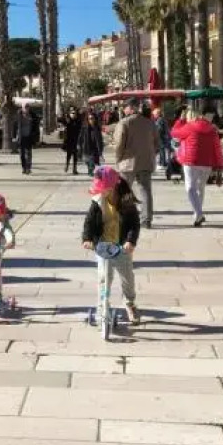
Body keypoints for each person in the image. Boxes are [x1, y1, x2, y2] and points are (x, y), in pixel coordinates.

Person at [81, 165, 142, 326]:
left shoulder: (126, 200)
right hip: (103, 246)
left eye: (105, 188)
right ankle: (103, 304)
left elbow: (134, 223)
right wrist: (87, 238)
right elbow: (89, 222)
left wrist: (130, 241)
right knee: (103, 277)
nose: (102, 191)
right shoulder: (97, 201)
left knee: (127, 278)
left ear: (114, 185)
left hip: (121, 247)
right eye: (100, 188)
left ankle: (130, 303)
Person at [171, 106, 223, 227]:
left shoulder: (189, 127)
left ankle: (198, 213)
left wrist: (180, 121)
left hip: (190, 162)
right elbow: (217, 148)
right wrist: (220, 166)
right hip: (207, 163)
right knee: (200, 188)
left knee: (190, 188)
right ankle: (197, 215)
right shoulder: (212, 129)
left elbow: (174, 133)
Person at [114, 97, 159, 228]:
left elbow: (118, 145)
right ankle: (146, 219)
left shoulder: (124, 123)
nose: (124, 109)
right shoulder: (150, 123)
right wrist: (150, 155)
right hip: (145, 162)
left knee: (123, 191)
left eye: (125, 107)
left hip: (127, 163)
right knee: (145, 190)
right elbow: (157, 143)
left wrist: (118, 159)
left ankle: (124, 219)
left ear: (132, 108)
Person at [79, 111, 104, 175]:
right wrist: (79, 145)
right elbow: (80, 137)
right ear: (87, 119)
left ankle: (95, 173)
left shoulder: (97, 128)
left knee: (96, 162)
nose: (91, 120)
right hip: (87, 147)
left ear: (95, 119)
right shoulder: (84, 128)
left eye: (92, 118)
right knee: (89, 161)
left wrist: (101, 147)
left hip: (96, 148)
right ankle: (90, 169)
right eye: (90, 118)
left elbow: (100, 139)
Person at [15, 104, 36, 174]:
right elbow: (15, 126)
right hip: (21, 137)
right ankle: (24, 167)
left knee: (29, 154)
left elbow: (35, 127)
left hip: (29, 137)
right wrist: (15, 136)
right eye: (25, 108)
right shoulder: (19, 116)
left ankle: (28, 168)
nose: (26, 109)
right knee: (22, 154)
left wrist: (36, 137)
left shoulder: (32, 116)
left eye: (28, 108)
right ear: (23, 108)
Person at [62, 107, 82, 175]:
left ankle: (74, 169)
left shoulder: (78, 121)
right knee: (69, 154)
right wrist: (65, 118)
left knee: (75, 156)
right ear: (70, 114)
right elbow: (60, 120)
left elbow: (81, 130)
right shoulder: (68, 120)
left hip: (76, 140)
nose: (73, 114)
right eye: (72, 113)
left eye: (75, 113)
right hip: (69, 141)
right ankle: (67, 165)